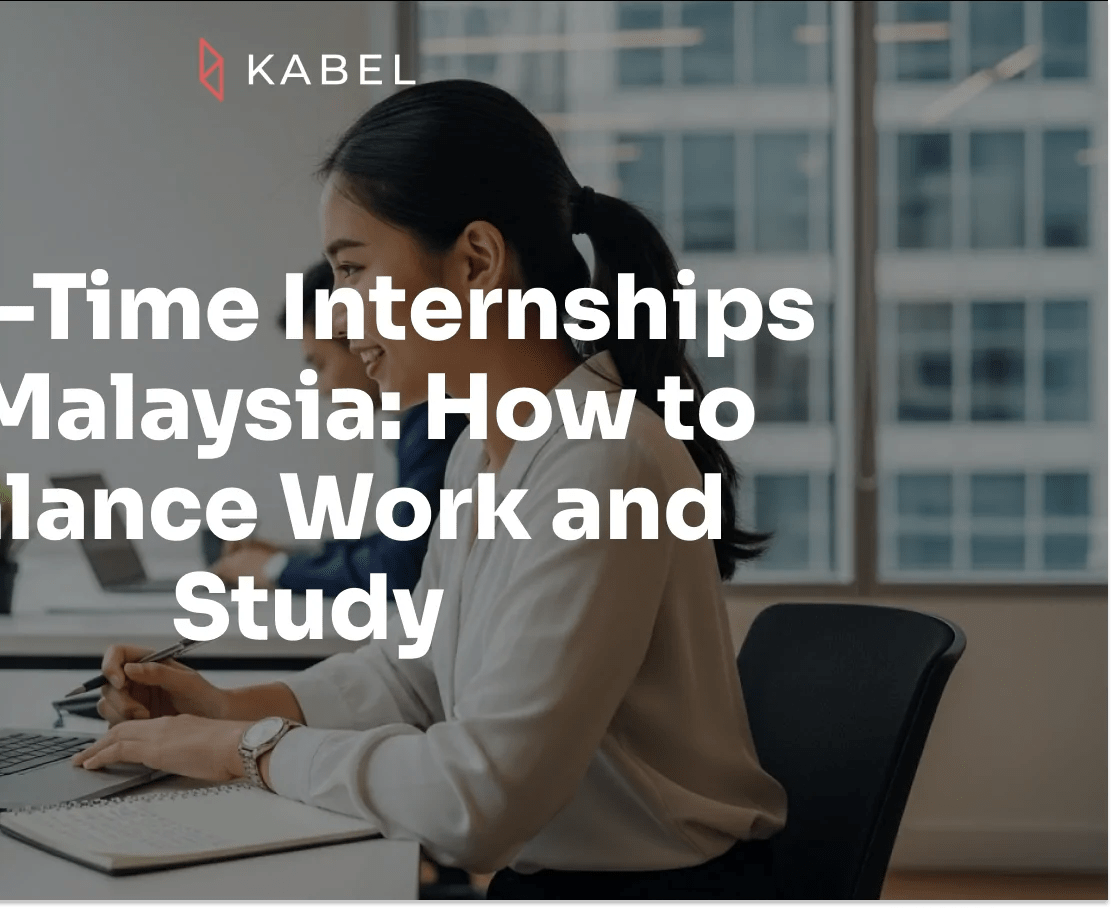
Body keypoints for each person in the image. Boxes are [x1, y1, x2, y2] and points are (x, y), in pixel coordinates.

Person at [73, 80, 787, 901]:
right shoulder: (488, 453)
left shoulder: (601, 460)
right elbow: (416, 677)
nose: (341, 316)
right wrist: (229, 707)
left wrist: (241, 751)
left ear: (476, 261)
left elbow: (478, 798)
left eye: (353, 271)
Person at [211, 259, 468, 595]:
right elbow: (401, 543)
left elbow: (402, 566)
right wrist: (294, 560)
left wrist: (274, 569)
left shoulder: (437, 418)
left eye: (320, 364)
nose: (321, 387)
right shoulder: (421, 419)